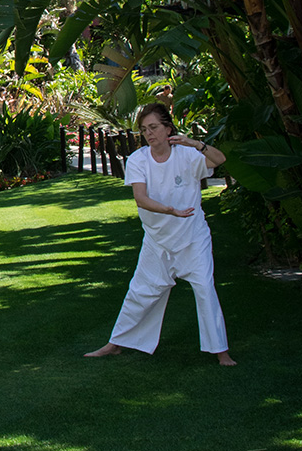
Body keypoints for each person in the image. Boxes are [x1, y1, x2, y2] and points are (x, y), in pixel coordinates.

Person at [85, 103, 237, 366]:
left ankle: (221, 352)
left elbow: (219, 160)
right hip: (156, 239)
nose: (149, 134)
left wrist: (193, 142)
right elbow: (141, 199)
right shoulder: (138, 160)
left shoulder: (187, 155)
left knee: (205, 289)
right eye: (144, 130)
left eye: (154, 127)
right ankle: (115, 344)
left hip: (192, 237)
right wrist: (170, 210)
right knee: (141, 291)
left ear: (168, 128)